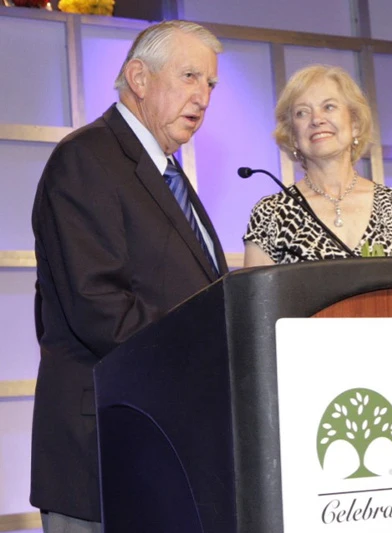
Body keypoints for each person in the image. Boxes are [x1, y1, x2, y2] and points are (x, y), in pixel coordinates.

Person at [30, 21, 226, 532]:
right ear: (139, 77)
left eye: (210, 84)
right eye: (189, 76)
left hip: (162, 444)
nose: (202, 96)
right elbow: (97, 304)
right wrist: (209, 353)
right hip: (102, 448)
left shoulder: (167, 171)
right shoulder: (86, 157)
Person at [243, 64, 392, 265]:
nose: (316, 120)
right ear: (293, 136)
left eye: (329, 107)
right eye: (302, 113)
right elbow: (256, 296)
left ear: (355, 125)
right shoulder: (270, 213)